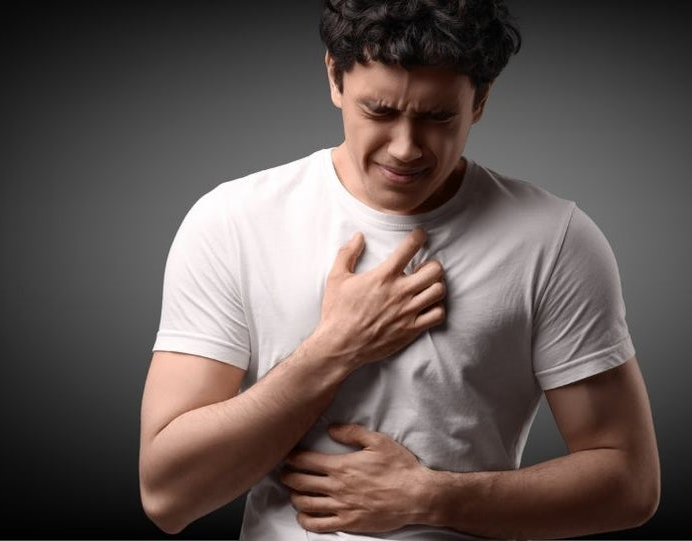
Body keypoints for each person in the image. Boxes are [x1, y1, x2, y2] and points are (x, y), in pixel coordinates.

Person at [138, 1, 660, 539]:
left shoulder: (555, 240)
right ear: (334, 79)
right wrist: (336, 347)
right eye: (380, 112)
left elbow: (628, 483)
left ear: (479, 99)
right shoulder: (233, 221)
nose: (406, 148)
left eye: (437, 117)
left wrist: (429, 497)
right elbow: (168, 496)